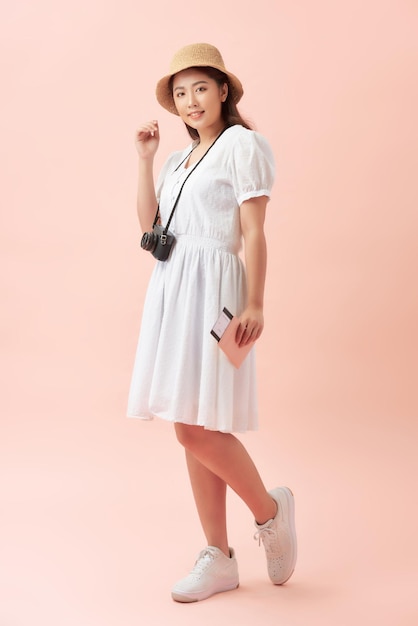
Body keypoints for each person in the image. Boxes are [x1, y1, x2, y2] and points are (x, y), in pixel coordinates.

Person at [127, 42, 297, 603]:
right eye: (180, 93)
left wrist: (255, 302)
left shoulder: (242, 146)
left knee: (199, 427)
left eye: (200, 87)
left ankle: (270, 515)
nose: (190, 100)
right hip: (172, 287)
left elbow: (253, 232)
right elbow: (150, 224)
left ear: (224, 90)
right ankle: (218, 556)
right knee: (189, 420)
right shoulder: (177, 160)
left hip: (214, 288)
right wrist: (147, 159)